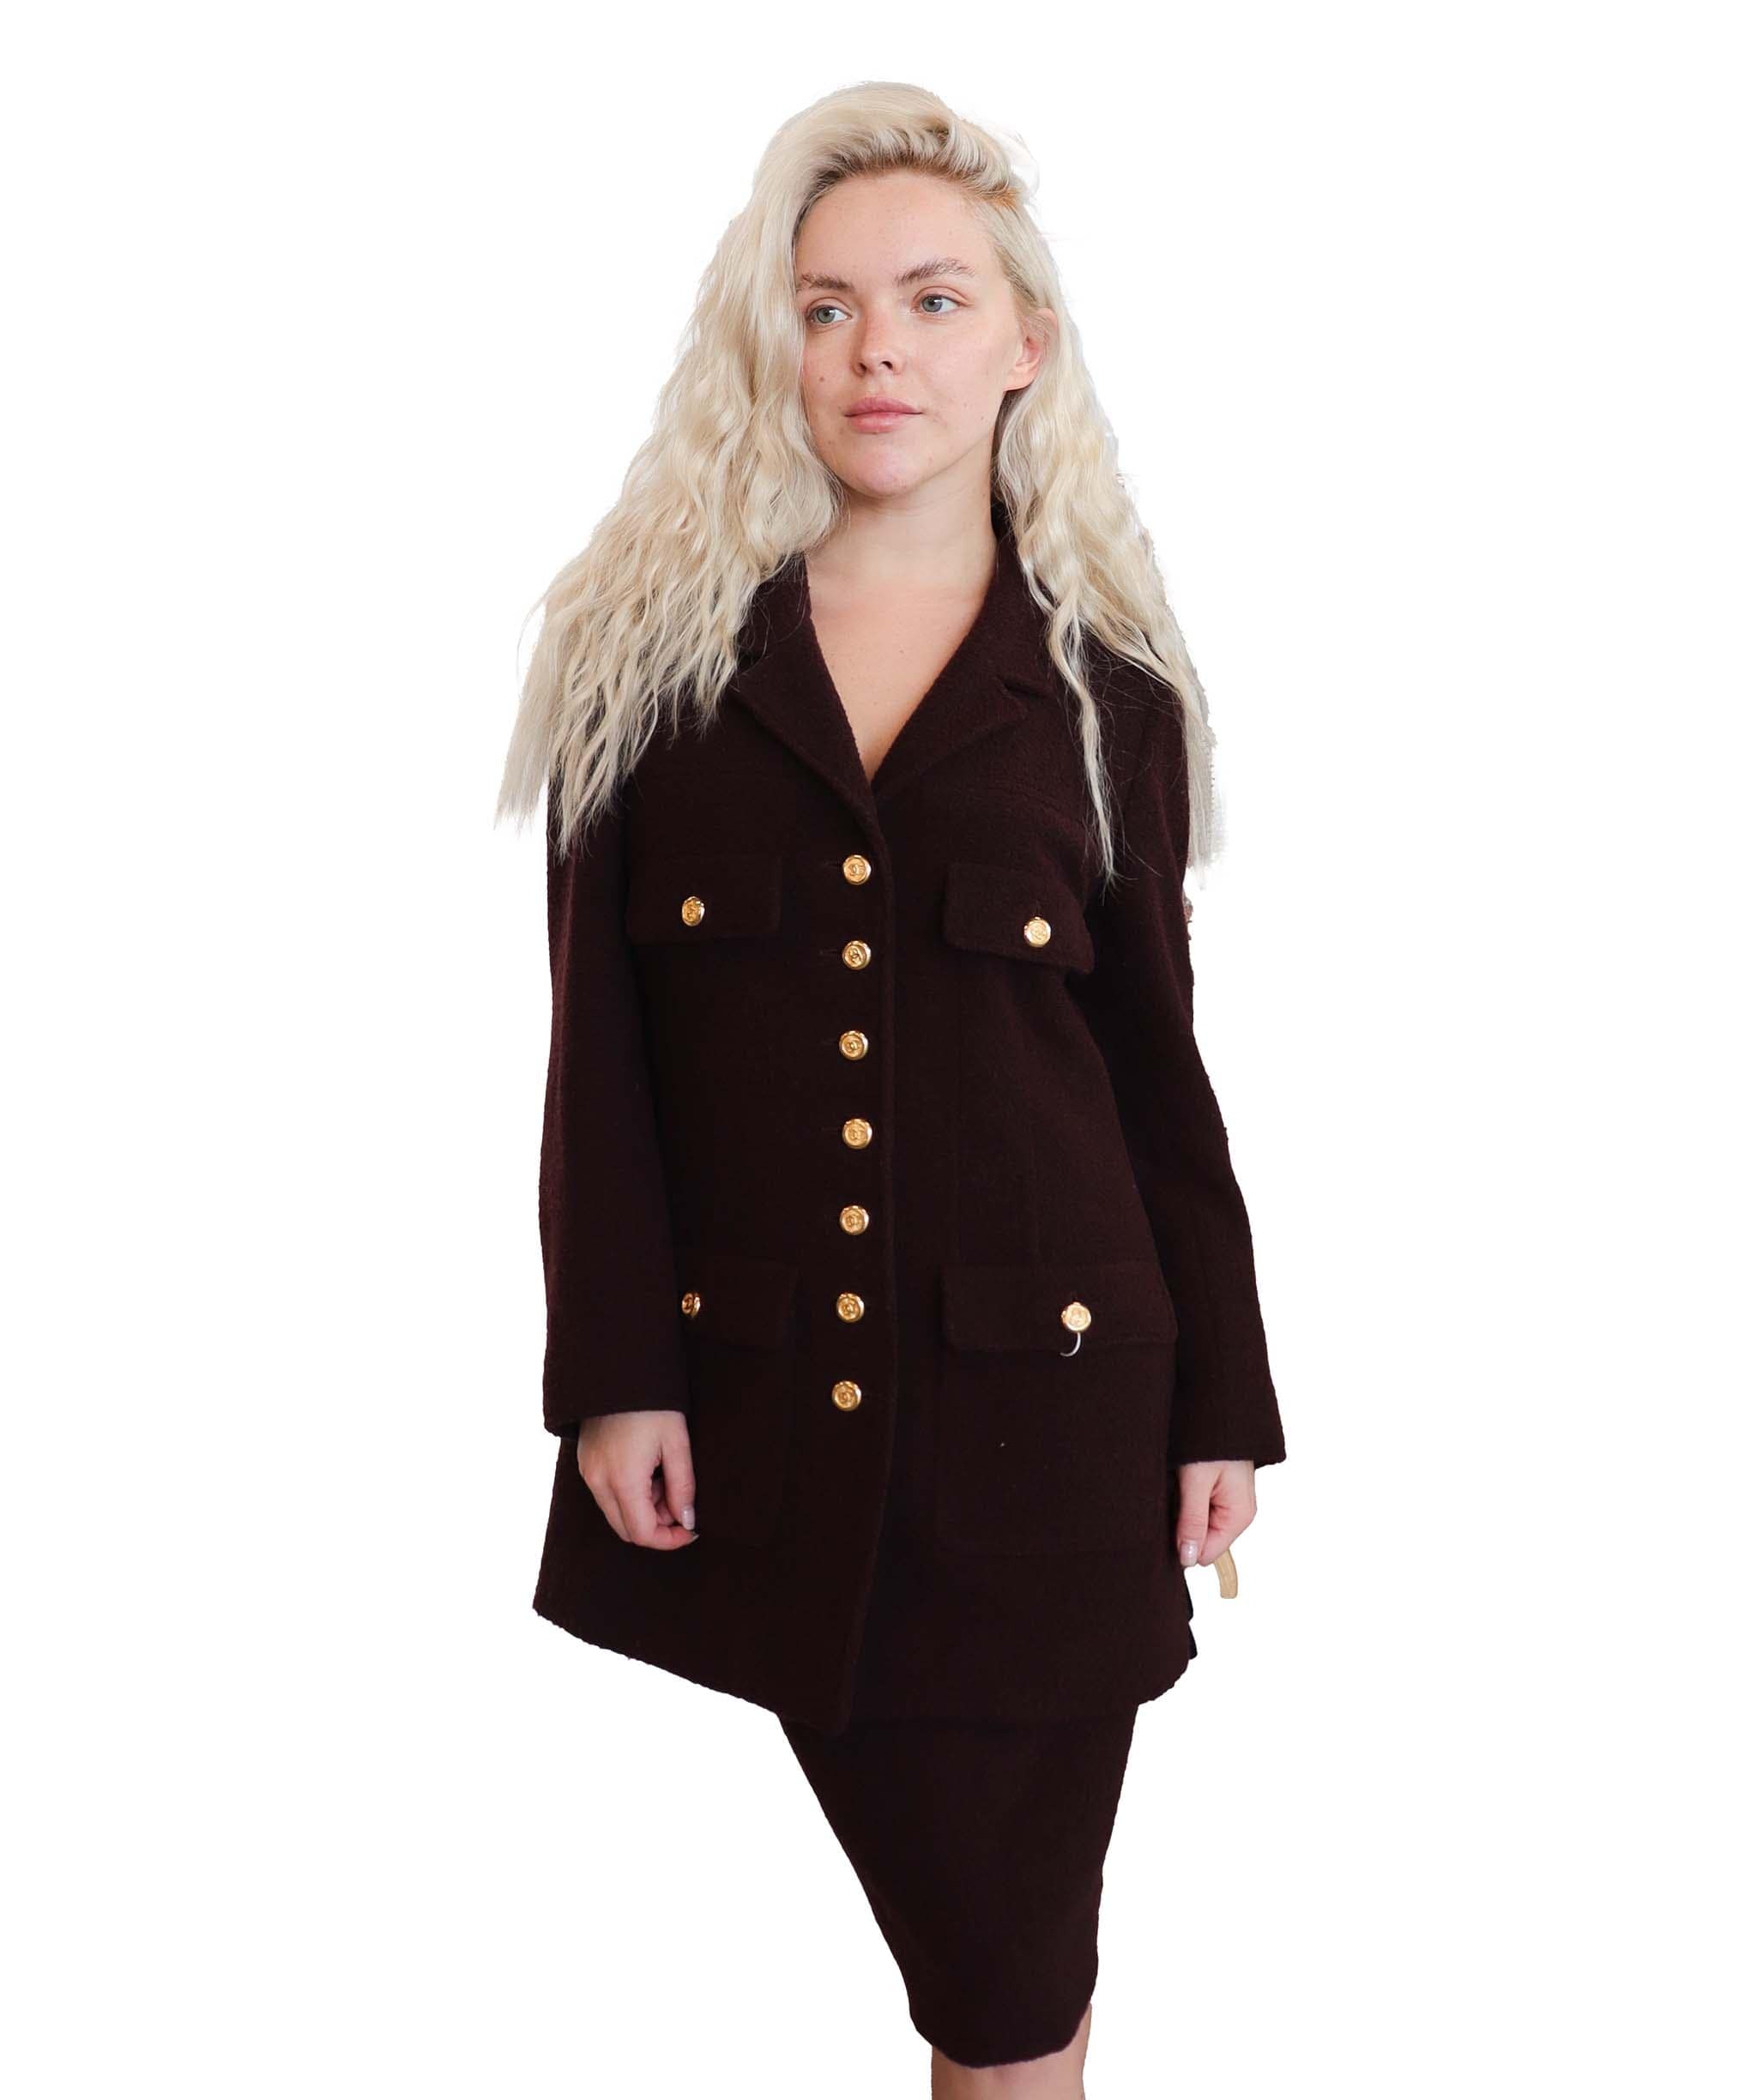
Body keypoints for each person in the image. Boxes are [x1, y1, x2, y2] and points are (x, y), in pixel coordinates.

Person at [497, 81, 1287, 2095]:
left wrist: (1221, 1396)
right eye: (826, 306)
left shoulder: (1108, 690)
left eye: (933, 301)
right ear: (770, 342)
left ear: (1023, 341)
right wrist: (616, 1374)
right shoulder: (645, 668)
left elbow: (1155, 1074)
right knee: (998, 1972)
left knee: (1009, 1978)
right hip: (771, 1422)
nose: (877, 354)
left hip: (1058, 1428)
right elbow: (599, 1066)